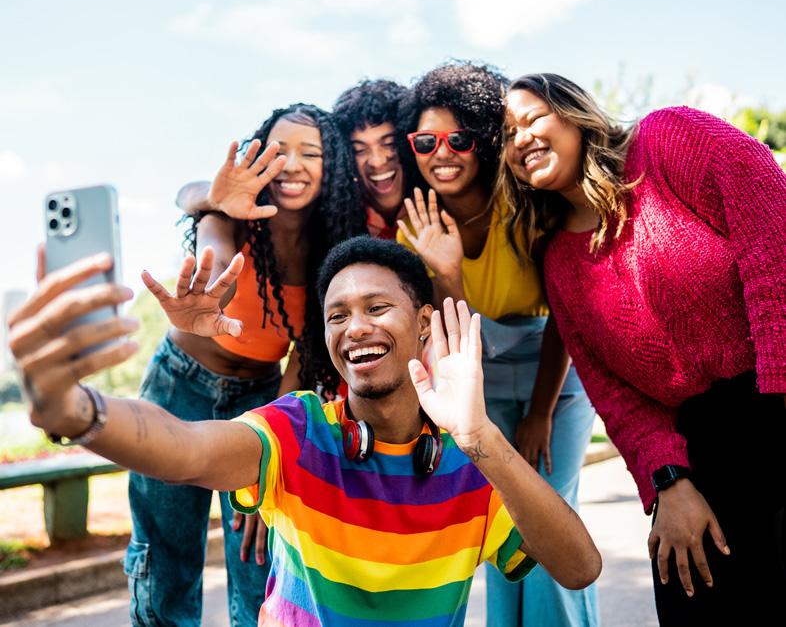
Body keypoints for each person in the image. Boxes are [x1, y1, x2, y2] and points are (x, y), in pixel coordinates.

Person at [9, 236, 601, 627]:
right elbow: (185, 449)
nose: (355, 327)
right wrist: (79, 410)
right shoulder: (298, 429)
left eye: (377, 307)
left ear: (424, 324)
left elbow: (579, 568)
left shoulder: (475, 461)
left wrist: (480, 439)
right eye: (337, 315)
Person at [498, 72, 786, 625]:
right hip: (697, 447)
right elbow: (615, 397)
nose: (521, 140)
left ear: (575, 112)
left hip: (772, 392)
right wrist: (668, 484)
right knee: (685, 581)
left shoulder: (668, 138)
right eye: (507, 136)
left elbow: (773, 244)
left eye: (532, 118)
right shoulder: (559, 263)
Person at [128, 103, 366, 626]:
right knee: (165, 555)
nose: (294, 165)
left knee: (258, 556)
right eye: (279, 151)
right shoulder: (231, 212)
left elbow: (305, 355)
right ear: (259, 157)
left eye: (312, 153)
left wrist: (281, 441)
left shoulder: (333, 245)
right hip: (179, 387)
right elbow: (196, 205)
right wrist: (214, 282)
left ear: (333, 169)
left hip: (261, 397)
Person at [396, 61, 599, 627]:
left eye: (458, 139)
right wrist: (448, 274)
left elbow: (565, 313)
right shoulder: (415, 225)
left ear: (482, 142)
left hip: (552, 373)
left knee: (546, 519)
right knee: (504, 520)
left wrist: (539, 412)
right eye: (426, 140)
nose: (443, 152)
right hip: (475, 369)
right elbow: (451, 335)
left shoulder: (526, 203)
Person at [333, 78, 409, 239]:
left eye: (390, 143)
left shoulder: (446, 208)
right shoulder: (335, 222)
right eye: (359, 150)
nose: (377, 161)